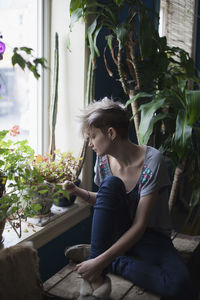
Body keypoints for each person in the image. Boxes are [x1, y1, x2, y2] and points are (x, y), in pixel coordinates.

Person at [62, 97, 196, 300]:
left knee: (178, 284)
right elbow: (108, 201)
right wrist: (78, 192)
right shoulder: (103, 160)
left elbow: (140, 226)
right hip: (116, 233)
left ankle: (103, 260)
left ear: (111, 133)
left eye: (93, 137)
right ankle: (99, 269)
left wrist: (100, 261)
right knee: (111, 184)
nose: (90, 144)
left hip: (149, 236)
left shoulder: (152, 161)